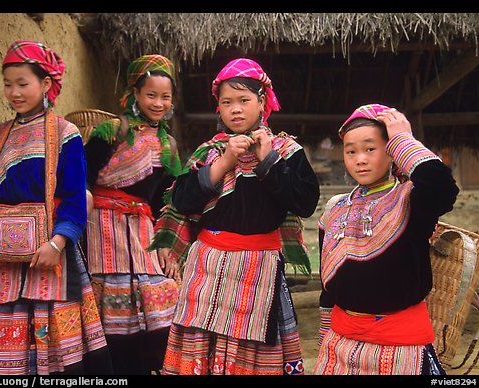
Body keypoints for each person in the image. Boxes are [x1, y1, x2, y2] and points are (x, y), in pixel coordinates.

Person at [152, 58, 320, 375]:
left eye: (244, 100)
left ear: (263, 103)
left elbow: (304, 202)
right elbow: (183, 200)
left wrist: (268, 160)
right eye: (227, 102)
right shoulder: (210, 151)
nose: (236, 109)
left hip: (261, 269)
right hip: (209, 269)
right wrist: (226, 160)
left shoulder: (285, 149)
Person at [0, 40, 111, 375]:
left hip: (50, 252)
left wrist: (57, 242)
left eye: (22, 83)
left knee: (56, 354)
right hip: (2, 258)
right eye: (7, 84)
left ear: (45, 84)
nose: (14, 92)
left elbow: (75, 193)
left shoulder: (65, 134)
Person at [313, 104, 459, 375]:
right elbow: (327, 285)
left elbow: (442, 188)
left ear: (391, 152)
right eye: (351, 151)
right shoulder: (334, 209)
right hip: (340, 348)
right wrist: (324, 337)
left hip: (401, 350)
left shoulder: (412, 199)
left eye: (371, 149)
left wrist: (402, 138)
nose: (360, 159)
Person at [83, 54, 183, 375]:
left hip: (143, 230)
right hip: (102, 227)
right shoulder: (112, 130)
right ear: (135, 94)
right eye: (151, 95)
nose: (158, 102)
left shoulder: (169, 145)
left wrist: (170, 244)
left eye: (165, 96)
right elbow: (81, 177)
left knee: (158, 310)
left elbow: (171, 198)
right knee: (111, 319)